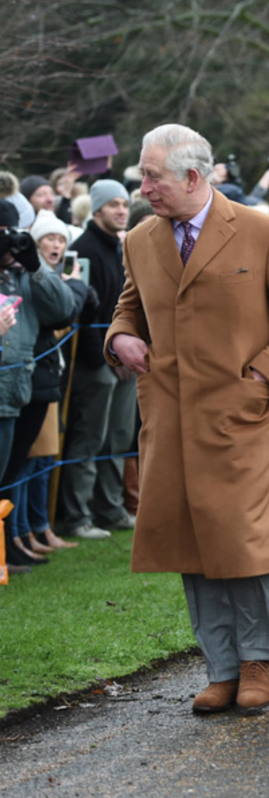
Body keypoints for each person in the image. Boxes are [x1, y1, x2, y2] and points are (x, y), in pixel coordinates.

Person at [107, 123, 269, 714]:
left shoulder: (263, 232)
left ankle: (257, 660)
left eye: (152, 176)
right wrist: (120, 339)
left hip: (244, 422)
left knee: (239, 542)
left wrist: (261, 380)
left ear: (192, 178)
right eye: (143, 176)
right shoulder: (140, 240)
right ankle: (221, 667)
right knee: (190, 544)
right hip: (171, 423)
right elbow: (128, 312)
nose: (143, 186)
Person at [0, 204, 79, 569]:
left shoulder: (21, 273)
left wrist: (36, 266)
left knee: (10, 470)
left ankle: (7, 545)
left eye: (10, 232)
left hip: (19, 387)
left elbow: (64, 309)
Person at [58, 179, 138, 540]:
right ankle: (78, 516)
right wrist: (107, 358)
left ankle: (111, 508)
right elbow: (85, 316)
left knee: (118, 438)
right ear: (97, 208)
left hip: (123, 359)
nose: (121, 210)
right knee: (89, 439)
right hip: (95, 363)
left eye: (124, 203)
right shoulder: (84, 250)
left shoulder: (122, 247)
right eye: (113, 204)